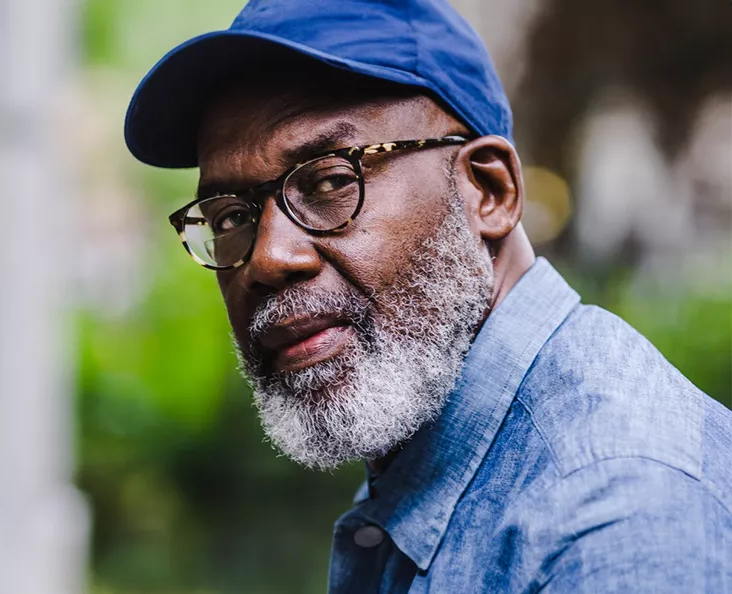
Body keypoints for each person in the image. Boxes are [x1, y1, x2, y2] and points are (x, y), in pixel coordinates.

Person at [124, 1, 732, 591]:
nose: (268, 258)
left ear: (488, 192)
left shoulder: (613, 520)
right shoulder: (432, 438)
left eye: (332, 180)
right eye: (230, 217)